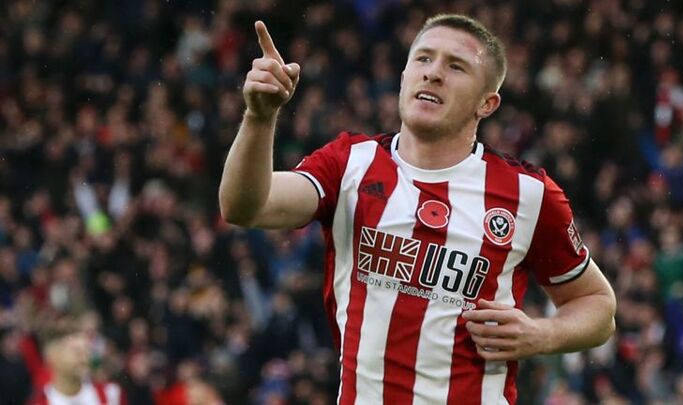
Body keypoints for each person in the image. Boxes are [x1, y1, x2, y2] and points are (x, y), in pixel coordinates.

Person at [219, 14, 616, 404]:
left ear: (487, 103)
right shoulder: (349, 163)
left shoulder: (527, 194)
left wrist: (541, 335)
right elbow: (245, 207)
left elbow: (598, 306)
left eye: (456, 66)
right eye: (423, 58)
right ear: (404, 77)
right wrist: (260, 117)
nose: (433, 73)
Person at [27, 331, 125, 405]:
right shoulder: (39, 402)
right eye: (77, 353)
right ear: (53, 357)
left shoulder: (111, 395)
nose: (84, 359)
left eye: (87, 352)